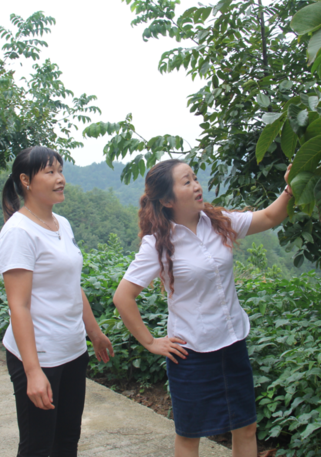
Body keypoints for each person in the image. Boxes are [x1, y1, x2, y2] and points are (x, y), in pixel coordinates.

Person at [113, 159, 291, 457]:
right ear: (167, 200)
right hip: (190, 353)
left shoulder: (219, 222)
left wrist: (290, 188)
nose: (197, 186)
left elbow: (271, 217)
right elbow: (123, 297)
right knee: (190, 435)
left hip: (232, 344)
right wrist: (151, 342)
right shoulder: (157, 244)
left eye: (195, 178)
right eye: (187, 182)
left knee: (246, 427)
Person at [0, 146, 114, 457]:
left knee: (67, 441)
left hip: (72, 350)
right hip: (40, 355)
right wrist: (33, 371)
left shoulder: (62, 224)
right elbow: (18, 306)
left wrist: (95, 333)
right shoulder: (19, 232)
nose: (60, 179)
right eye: (50, 172)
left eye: (60, 171)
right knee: (37, 446)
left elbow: (72, 285)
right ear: (26, 181)